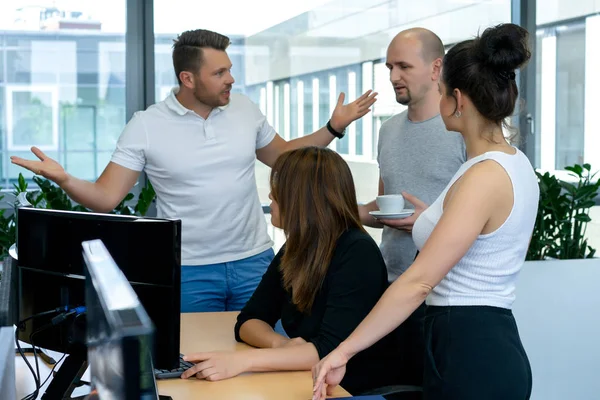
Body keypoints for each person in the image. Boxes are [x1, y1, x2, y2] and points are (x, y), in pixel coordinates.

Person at [10, 29, 377, 313]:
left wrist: (332, 128)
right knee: (196, 369)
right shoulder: (146, 125)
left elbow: (282, 158)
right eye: (219, 72)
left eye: (230, 69)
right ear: (188, 78)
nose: (230, 78)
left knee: (266, 358)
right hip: (190, 272)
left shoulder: (245, 109)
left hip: (255, 261)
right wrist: (65, 179)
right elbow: (106, 198)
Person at [312, 23, 537, 400]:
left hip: (469, 346)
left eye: (443, 90)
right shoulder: (508, 165)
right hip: (473, 339)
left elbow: (419, 281)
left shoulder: (485, 175)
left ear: (458, 100)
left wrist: (343, 351)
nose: (440, 97)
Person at [181, 147, 405, 395]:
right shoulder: (298, 246)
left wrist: (241, 361)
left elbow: (329, 351)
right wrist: (282, 345)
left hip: (349, 387)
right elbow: (248, 320)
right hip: (308, 379)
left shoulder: (357, 254)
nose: (270, 196)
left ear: (301, 199)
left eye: (278, 191)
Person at [358, 27, 466, 386]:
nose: (393, 77)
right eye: (389, 67)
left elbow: (485, 217)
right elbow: (382, 208)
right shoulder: (387, 131)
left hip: (446, 298)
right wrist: (331, 208)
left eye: (403, 66)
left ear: (437, 69)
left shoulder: (465, 131)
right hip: (392, 290)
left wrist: (426, 222)